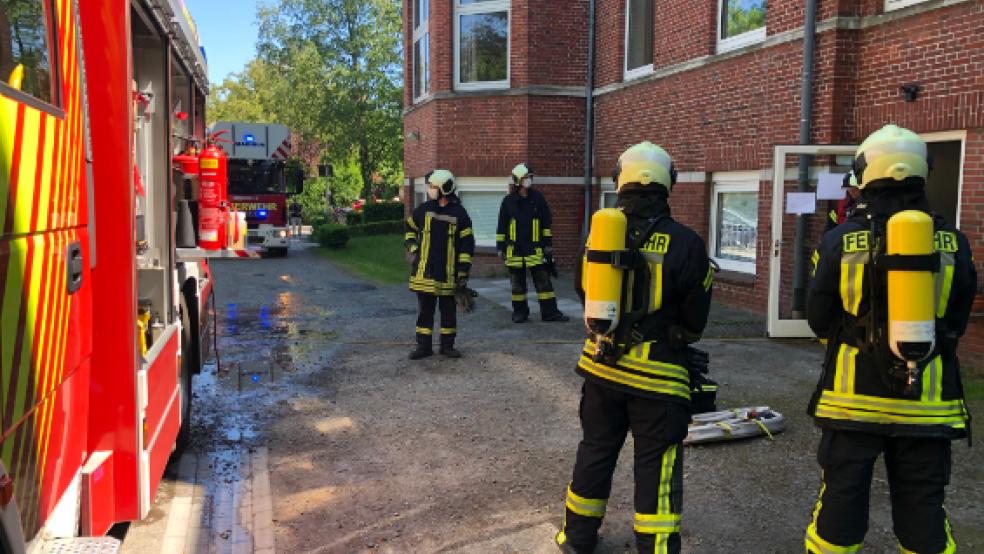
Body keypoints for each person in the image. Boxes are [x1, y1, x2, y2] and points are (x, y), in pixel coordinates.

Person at [804, 125, 977, 554]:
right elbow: (957, 319)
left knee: (839, 511)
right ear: (924, 173)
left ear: (864, 173)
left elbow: (818, 319)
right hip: (928, 406)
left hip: (851, 403)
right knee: (924, 516)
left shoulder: (839, 241)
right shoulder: (953, 243)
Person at [556, 142, 714, 554]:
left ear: (620, 183)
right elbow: (696, 322)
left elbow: (582, 289)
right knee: (656, 466)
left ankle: (576, 538)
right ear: (668, 185)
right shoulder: (686, 243)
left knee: (595, 450)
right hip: (658, 380)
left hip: (601, 366)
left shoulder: (601, 233)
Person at [404, 170, 475, 359]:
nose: (430, 190)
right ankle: (423, 347)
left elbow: (467, 244)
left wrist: (463, 272)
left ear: (444, 189)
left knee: (448, 313)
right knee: (425, 312)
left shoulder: (459, 213)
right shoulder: (424, 209)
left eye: (433, 186)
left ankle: (447, 346)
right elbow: (410, 227)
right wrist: (411, 246)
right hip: (425, 272)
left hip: (448, 273)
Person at [496, 163, 569, 323]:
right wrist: (500, 247)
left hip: (535, 248)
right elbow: (502, 226)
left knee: (544, 283)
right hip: (514, 249)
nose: (529, 180)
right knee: (517, 286)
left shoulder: (538, 198)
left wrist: (548, 245)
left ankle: (550, 313)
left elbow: (546, 223)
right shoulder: (508, 201)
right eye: (526, 178)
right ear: (518, 180)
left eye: (530, 177)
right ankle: (520, 313)